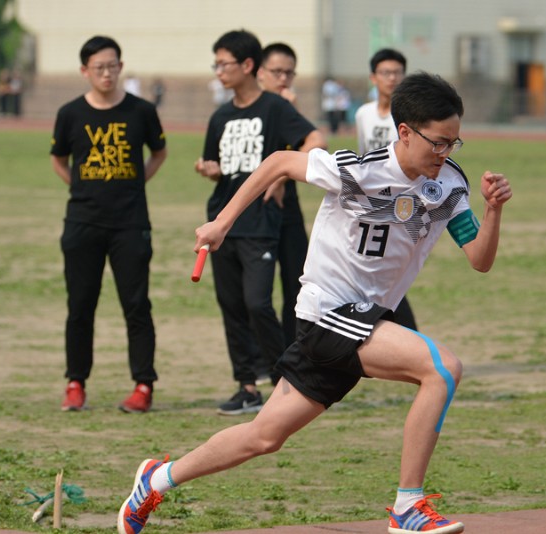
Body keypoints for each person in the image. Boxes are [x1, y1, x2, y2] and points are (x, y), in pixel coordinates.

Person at [118, 71, 512, 534]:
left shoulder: (447, 186)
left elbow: (480, 260)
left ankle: (155, 479)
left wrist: (492, 211)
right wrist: (221, 223)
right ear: (405, 132)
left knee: (263, 437)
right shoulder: (356, 170)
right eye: (439, 142)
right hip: (328, 313)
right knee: (442, 369)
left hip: (360, 322)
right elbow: (280, 162)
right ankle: (408, 505)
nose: (445, 153)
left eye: (454, 143)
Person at [193, 30, 326, 415]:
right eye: (215, 64)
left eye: (224, 64)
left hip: (262, 224)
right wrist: (210, 169)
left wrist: (285, 173)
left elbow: (314, 140)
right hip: (223, 221)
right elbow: (218, 166)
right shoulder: (220, 115)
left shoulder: (274, 108)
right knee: (231, 304)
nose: (218, 71)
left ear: (247, 65)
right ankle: (247, 386)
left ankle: (283, 377)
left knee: (258, 303)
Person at [50, 35, 167, 413]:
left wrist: (133, 184)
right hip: (82, 222)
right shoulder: (70, 113)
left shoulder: (142, 111)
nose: (107, 73)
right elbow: (59, 159)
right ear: (85, 71)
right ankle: (75, 383)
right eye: (99, 67)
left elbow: (159, 151)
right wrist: (84, 188)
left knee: (136, 304)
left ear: (121, 66)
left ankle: (143, 386)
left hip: (130, 223)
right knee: (80, 306)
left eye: (113, 65)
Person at [256, 42, 321, 354]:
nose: (283, 78)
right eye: (276, 71)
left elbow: (313, 144)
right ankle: (264, 359)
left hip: (287, 210)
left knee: (297, 287)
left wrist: (282, 175)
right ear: (259, 72)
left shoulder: (287, 109)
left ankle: (293, 354)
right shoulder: (253, 108)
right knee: (256, 296)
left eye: (289, 72)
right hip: (254, 214)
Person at [354, 48, 418, 329]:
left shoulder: (412, 118)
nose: (392, 78)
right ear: (373, 77)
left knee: (387, 273)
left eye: (397, 73)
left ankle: (405, 335)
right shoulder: (364, 114)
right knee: (372, 271)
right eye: (385, 72)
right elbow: (361, 157)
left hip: (400, 205)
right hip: (369, 205)